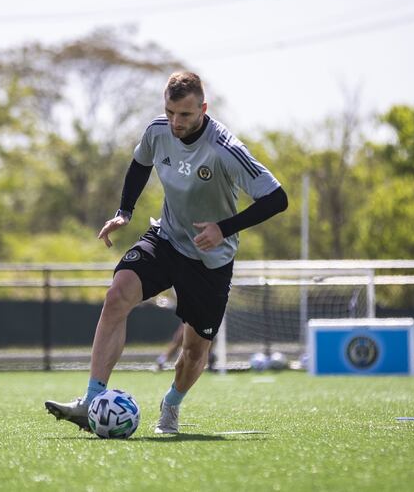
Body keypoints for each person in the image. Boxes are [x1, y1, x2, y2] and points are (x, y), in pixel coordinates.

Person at [44, 71, 287, 434]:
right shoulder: (158, 130)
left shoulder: (226, 149)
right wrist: (124, 211)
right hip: (166, 239)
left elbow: (277, 198)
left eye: (185, 115)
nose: (175, 122)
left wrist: (224, 228)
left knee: (193, 352)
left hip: (210, 260)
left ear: (203, 109)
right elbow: (141, 162)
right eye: (170, 112)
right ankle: (92, 399)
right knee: (117, 295)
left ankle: (171, 404)